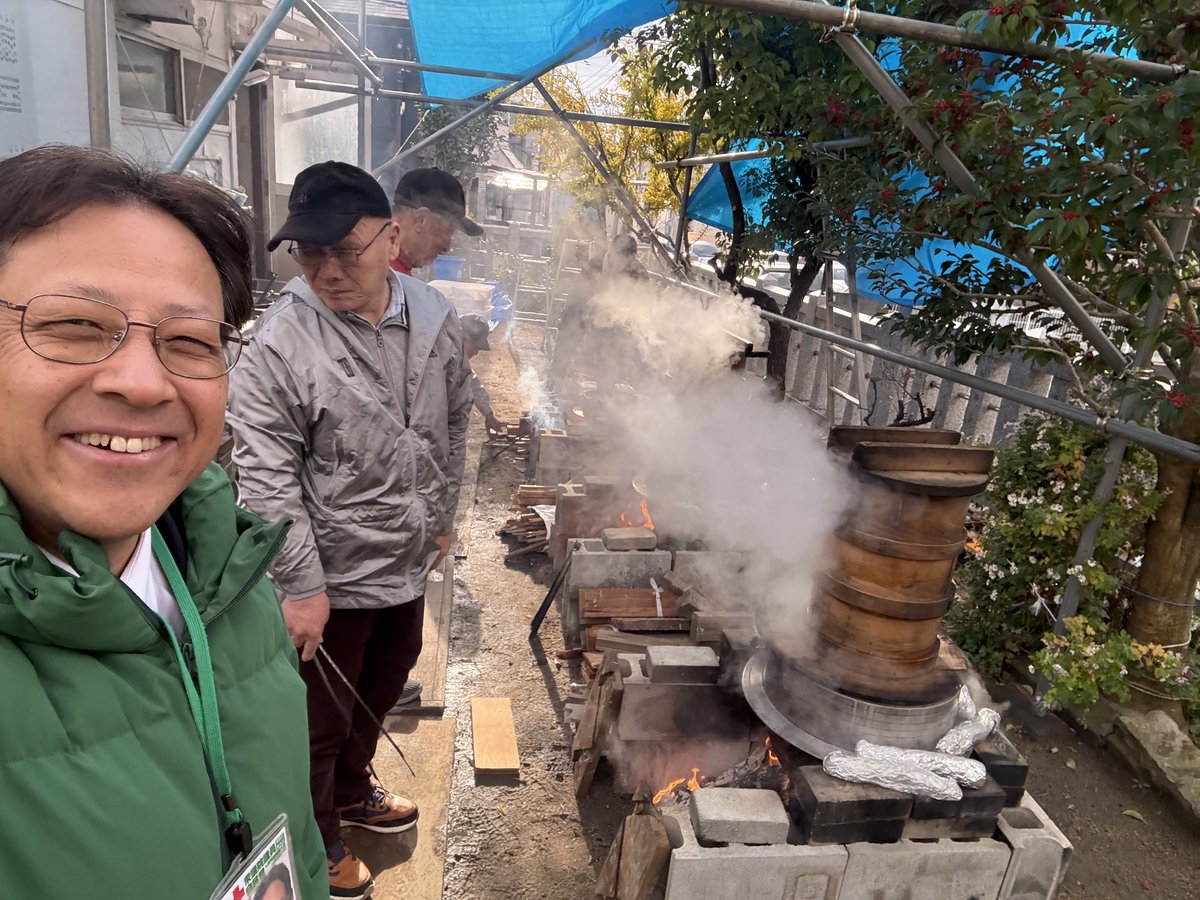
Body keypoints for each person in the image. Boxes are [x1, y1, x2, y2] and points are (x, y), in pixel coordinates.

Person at [0, 145, 326, 897]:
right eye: (77, 325)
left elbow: (291, 841)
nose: (144, 384)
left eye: (188, 342)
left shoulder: (233, 589)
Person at [227, 160, 473, 900]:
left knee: (385, 682)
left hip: (405, 555)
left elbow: (454, 424)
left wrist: (441, 521)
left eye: (346, 250)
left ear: (390, 236)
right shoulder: (279, 343)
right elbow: (265, 476)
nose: (327, 270)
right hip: (329, 575)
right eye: (309, 253)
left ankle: (355, 787)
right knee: (319, 717)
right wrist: (299, 586)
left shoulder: (433, 317)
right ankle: (321, 831)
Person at [389, 167, 483, 276]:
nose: (447, 247)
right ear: (421, 220)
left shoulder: (396, 271)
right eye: (448, 233)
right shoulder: (381, 275)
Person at [460, 313, 506, 433]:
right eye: (475, 347)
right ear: (462, 337)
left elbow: (472, 383)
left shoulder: (459, 362)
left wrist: (488, 414)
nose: (476, 352)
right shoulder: (437, 358)